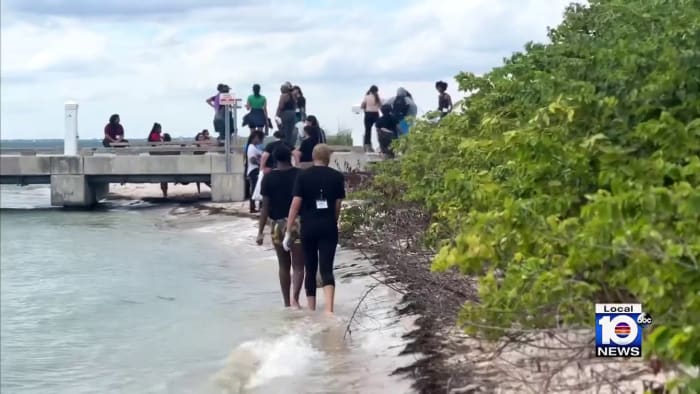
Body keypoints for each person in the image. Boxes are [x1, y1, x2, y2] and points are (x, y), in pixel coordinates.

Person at [284, 144, 346, 313]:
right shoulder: (337, 176)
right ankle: (329, 310)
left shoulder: (303, 176)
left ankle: (311, 309)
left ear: (313, 157)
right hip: (328, 226)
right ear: (328, 158)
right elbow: (338, 204)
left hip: (308, 226)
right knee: (326, 268)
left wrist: (289, 230)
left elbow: (295, 205)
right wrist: (333, 220)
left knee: (310, 268)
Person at [256, 146, 305, 308]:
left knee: (283, 266)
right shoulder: (300, 175)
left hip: (277, 226)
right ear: (290, 157)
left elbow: (265, 208)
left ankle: (286, 303)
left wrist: (260, 232)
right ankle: (296, 299)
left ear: (275, 159)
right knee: (298, 266)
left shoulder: (268, 178)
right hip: (297, 223)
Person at [146, 123, 169, 197]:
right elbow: (158, 144)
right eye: (160, 128)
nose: (161, 130)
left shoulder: (157, 135)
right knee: (163, 177)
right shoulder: (154, 135)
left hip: (159, 155)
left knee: (164, 178)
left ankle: (164, 194)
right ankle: (164, 194)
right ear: (156, 129)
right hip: (157, 154)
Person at [246, 131, 265, 213]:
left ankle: (256, 206)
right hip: (254, 170)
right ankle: (253, 207)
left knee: (257, 188)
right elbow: (252, 160)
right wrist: (261, 163)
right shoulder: (251, 148)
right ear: (256, 138)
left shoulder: (254, 147)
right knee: (254, 189)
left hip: (255, 170)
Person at [275, 83, 297, 148]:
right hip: (293, 114)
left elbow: (281, 106)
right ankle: (289, 146)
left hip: (285, 113)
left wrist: (277, 115)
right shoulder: (293, 95)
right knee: (290, 132)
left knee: (284, 131)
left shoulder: (283, 96)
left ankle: (284, 147)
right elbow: (295, 106)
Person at [361, 85, 381, 152]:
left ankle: (367, 145)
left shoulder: (366, 97)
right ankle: (381, 144)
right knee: (379, 129)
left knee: (367, 130)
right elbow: (380, 105)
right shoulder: (377, 98)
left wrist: (365, 109)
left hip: (368, 114)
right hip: (376, 114)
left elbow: (362, 105)